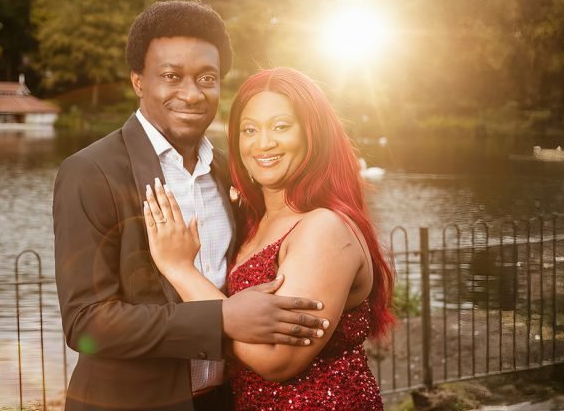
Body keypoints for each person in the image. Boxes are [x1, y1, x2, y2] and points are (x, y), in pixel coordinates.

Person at [53, 2, 329, 411]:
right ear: (138, 81)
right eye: (171, 76)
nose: (192, 93)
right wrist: (221, 320)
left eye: (207, 78)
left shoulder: (232, 170)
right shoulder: (90, 172)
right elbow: (85, 322)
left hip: (223, 400)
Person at [143, 67, 396, 410]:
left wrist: (180, 270)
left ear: (312, 134)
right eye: (249, 130)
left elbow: (278, 359)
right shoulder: (256, 221)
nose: (263, 143)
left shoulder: (325, 228)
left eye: (280, 126)